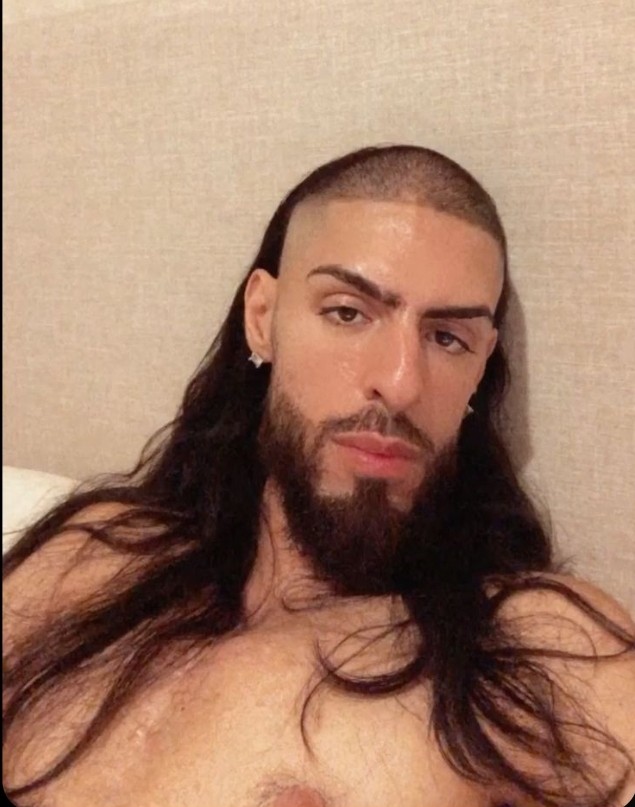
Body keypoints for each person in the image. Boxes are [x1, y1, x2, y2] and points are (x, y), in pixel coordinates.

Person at [3, 145, 635, 807]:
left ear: (480, 369)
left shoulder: (533, 649)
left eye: (448, 337)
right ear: (262, 319)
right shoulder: (86, 560)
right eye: (347, 312)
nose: (399, 383)